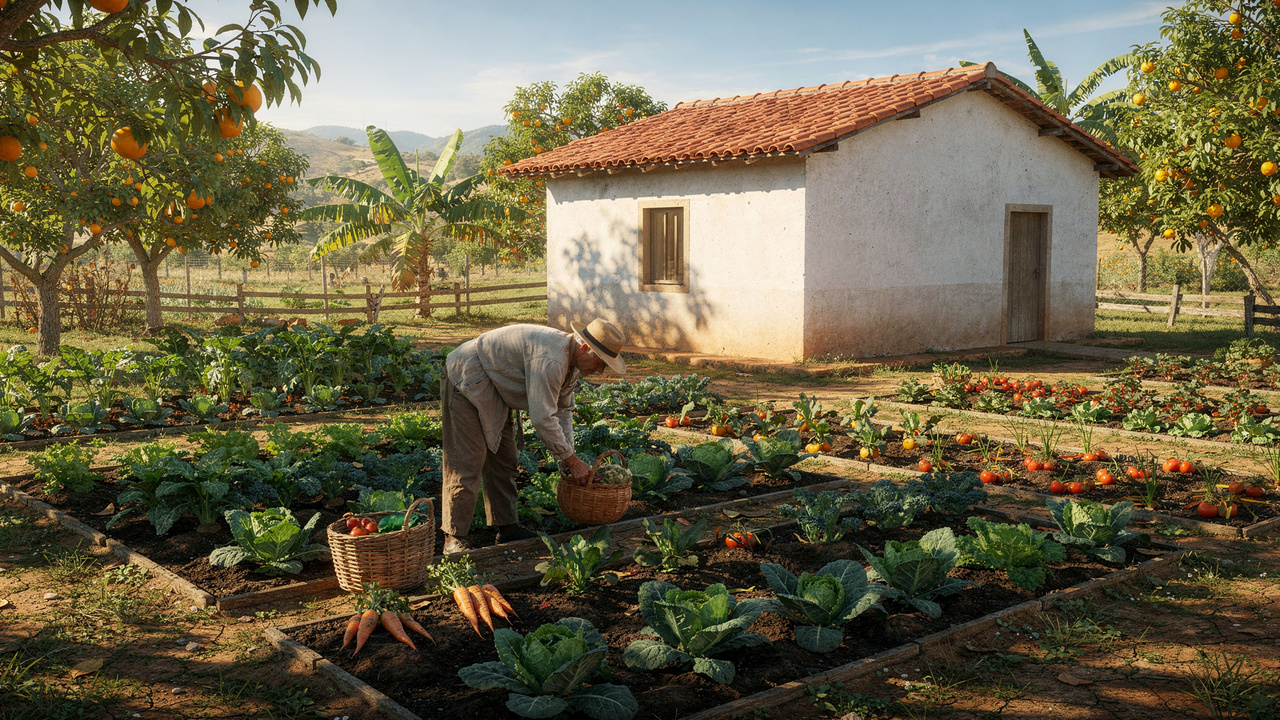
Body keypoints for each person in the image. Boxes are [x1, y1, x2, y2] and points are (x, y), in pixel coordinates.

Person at [440, 319, 627, 554]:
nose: (599, 370)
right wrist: (571, 460)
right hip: (468, 376)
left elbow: (562, 410)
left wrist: (569, 455)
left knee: (505, 458)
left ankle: (507, 528)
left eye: (604, 366)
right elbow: (542, 417)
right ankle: (453, 537)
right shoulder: (552, 358)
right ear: (584, 348)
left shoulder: (574, 364)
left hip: (496, 388)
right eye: (600, 362)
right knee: (468, 460)